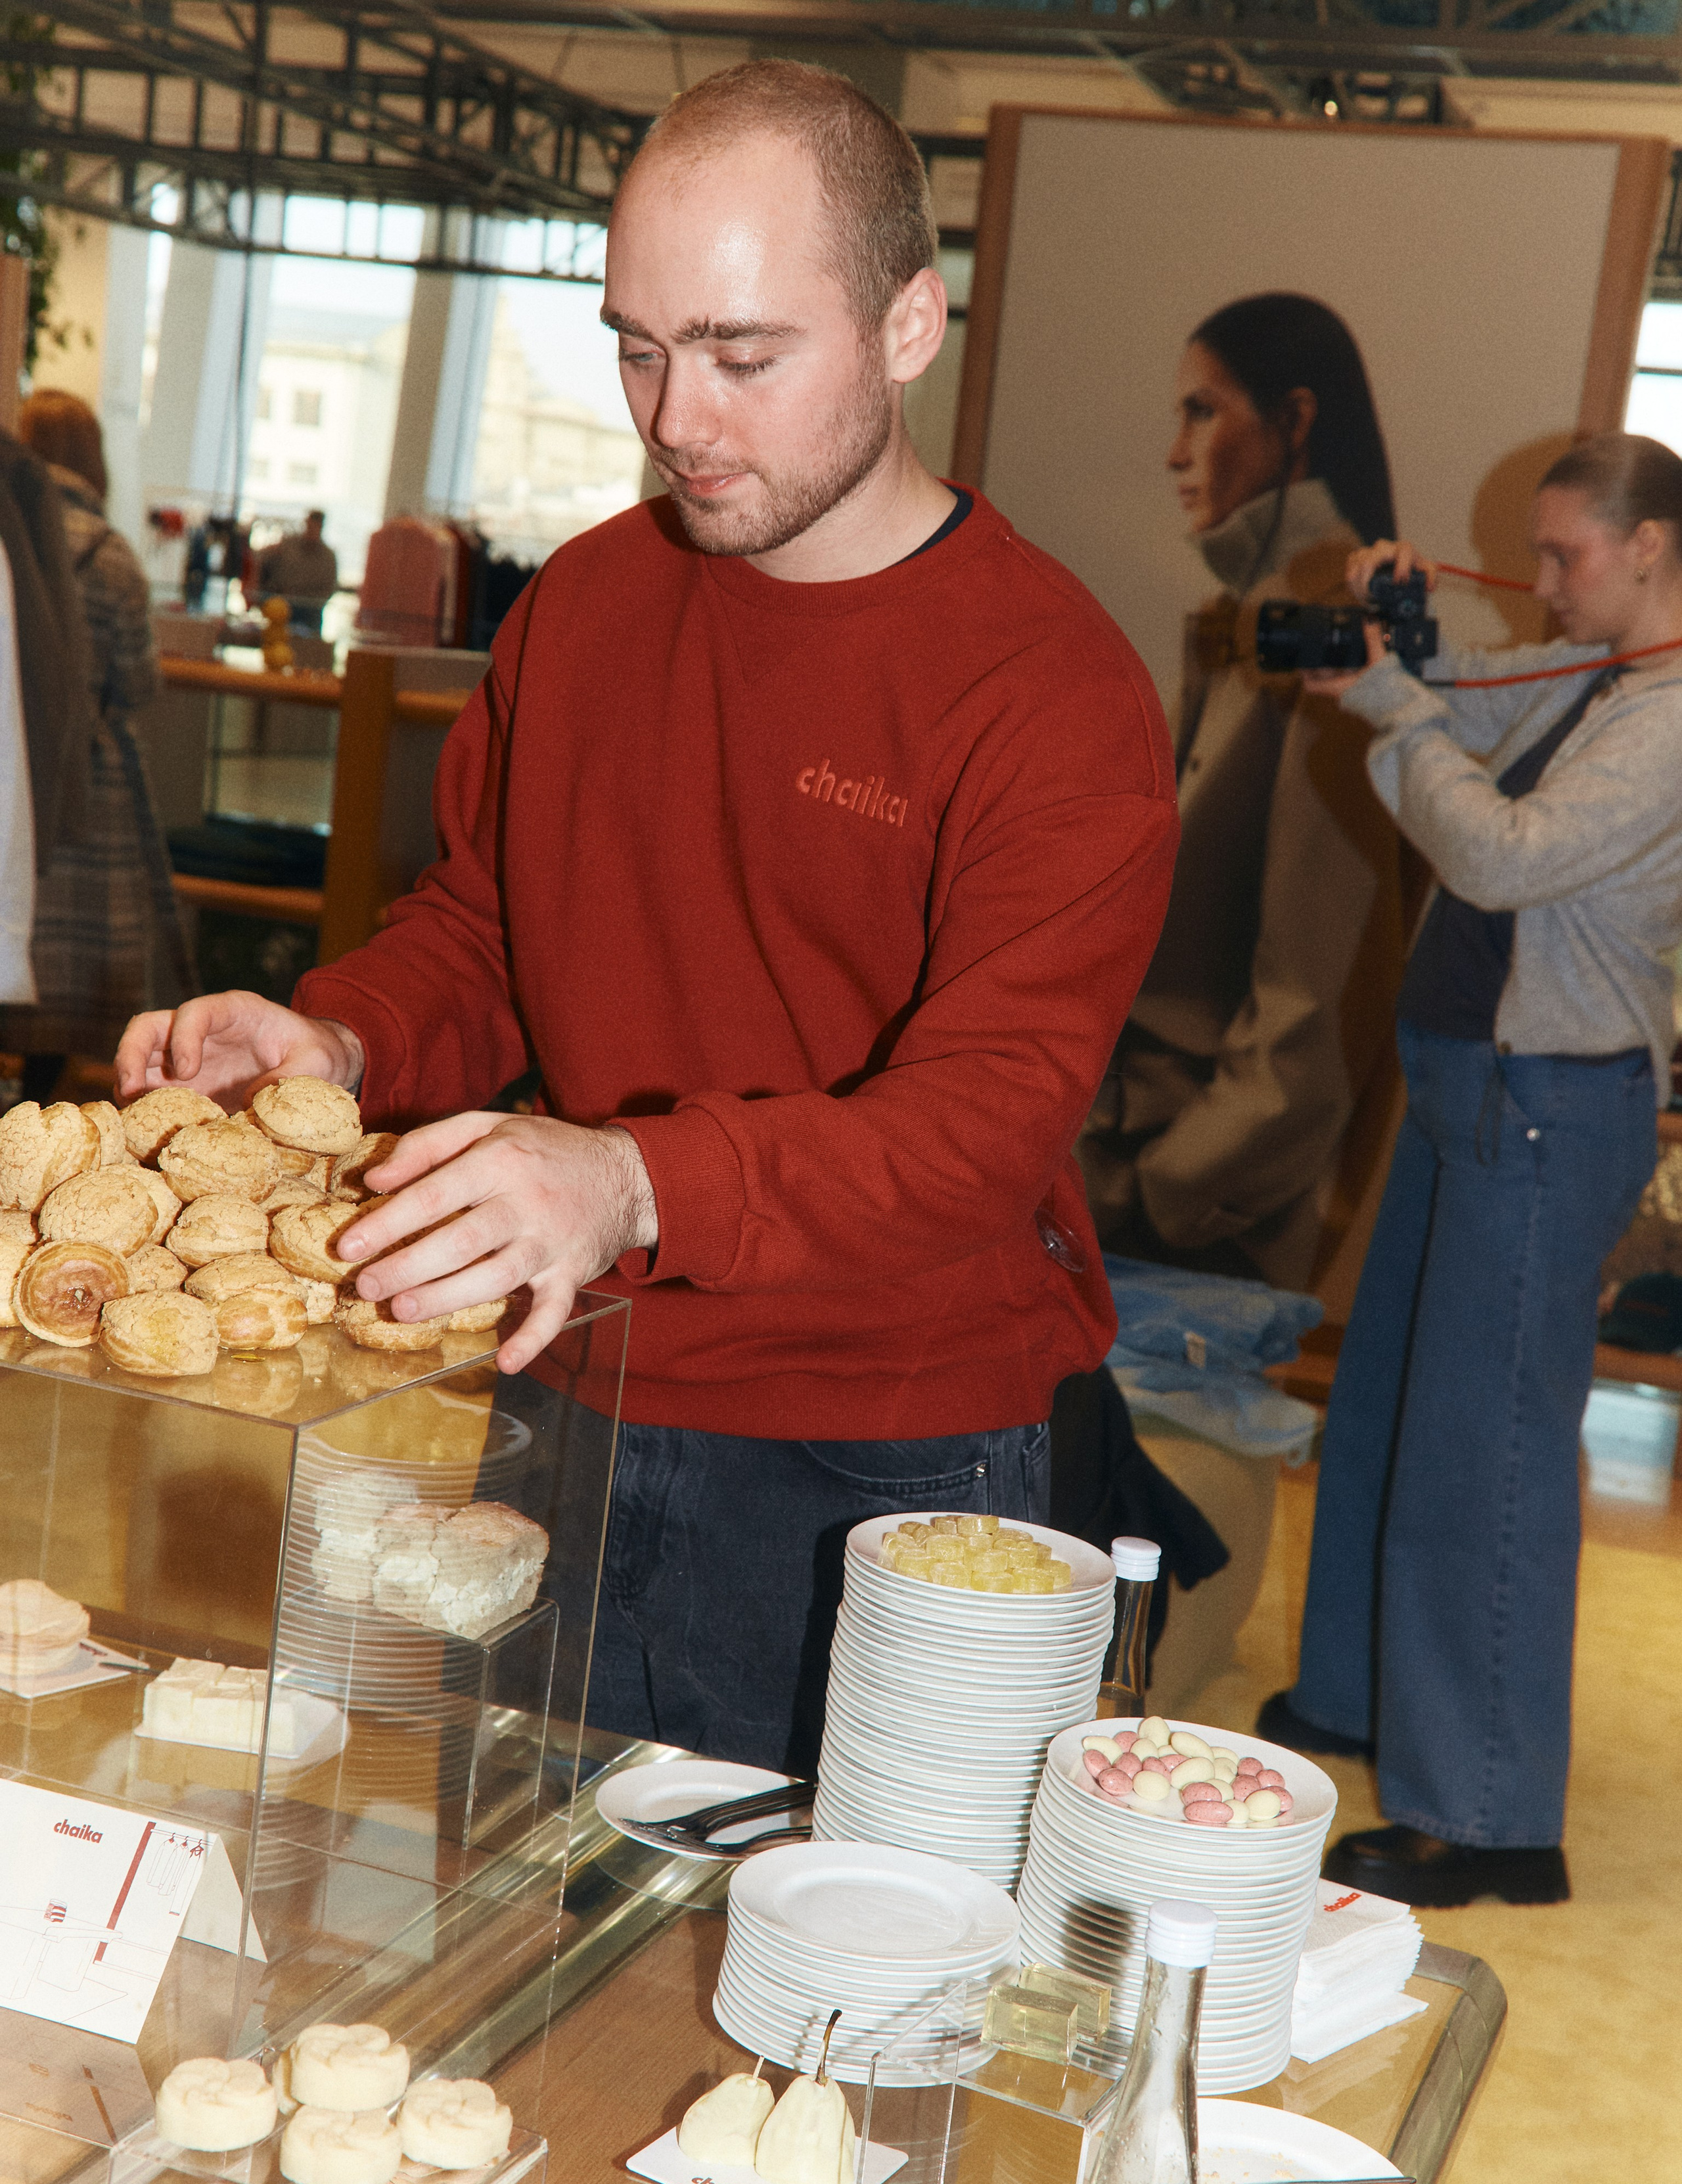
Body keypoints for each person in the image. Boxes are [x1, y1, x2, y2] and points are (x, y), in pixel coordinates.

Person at [115, 62, 1177, 1774]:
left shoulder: (1049, 689)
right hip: (577, 1385)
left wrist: (627, 1177)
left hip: (886, 1446)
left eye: (745, 354)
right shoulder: (593, 603)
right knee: (520, 1943)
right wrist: (343, 1032)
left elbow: (985, 1121)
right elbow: (496, 923)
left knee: (840, 1995)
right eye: (637, 343)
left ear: (912, 324)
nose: (679, 414)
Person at [1260, 432, 1682, 1907]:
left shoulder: (1669, 713)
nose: (1542, 579)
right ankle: (1365, 1697)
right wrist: (1399, 648)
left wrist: (1388, 702)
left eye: (1564, 555)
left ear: (1647, 548)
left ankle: (1488, 1811)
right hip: (1470, 1083)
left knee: (1483, 1458)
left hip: (1548, 1104)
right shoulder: (1595, 676)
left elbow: (1499, 853)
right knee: (1379, 1410)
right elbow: (1461, 721)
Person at [1080, 294, 1411, 1287]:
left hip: (1188, 1209)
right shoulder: (1253, 618)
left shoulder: (1333, 636)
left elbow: (1316, 995)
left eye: (1203, 412)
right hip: (1142, 1175)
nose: (1174, 452)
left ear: (1297, 421)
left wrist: (1165, 1191)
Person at [0, 391, 194, 1104]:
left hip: (13, 776)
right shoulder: (111, 556)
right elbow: (139, 682)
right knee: (73, 967)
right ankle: (42, 1106)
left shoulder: (9, 526)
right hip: (95, 782)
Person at [258, 510, 338, 634]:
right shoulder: (288, 545)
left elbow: (328, 589)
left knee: (308, 643)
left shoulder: (328, 557)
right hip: (282, 606)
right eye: (309, 526)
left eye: (315, 527)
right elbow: (266, 567)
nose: (311, 530)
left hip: (310, 611)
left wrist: (308, 598)